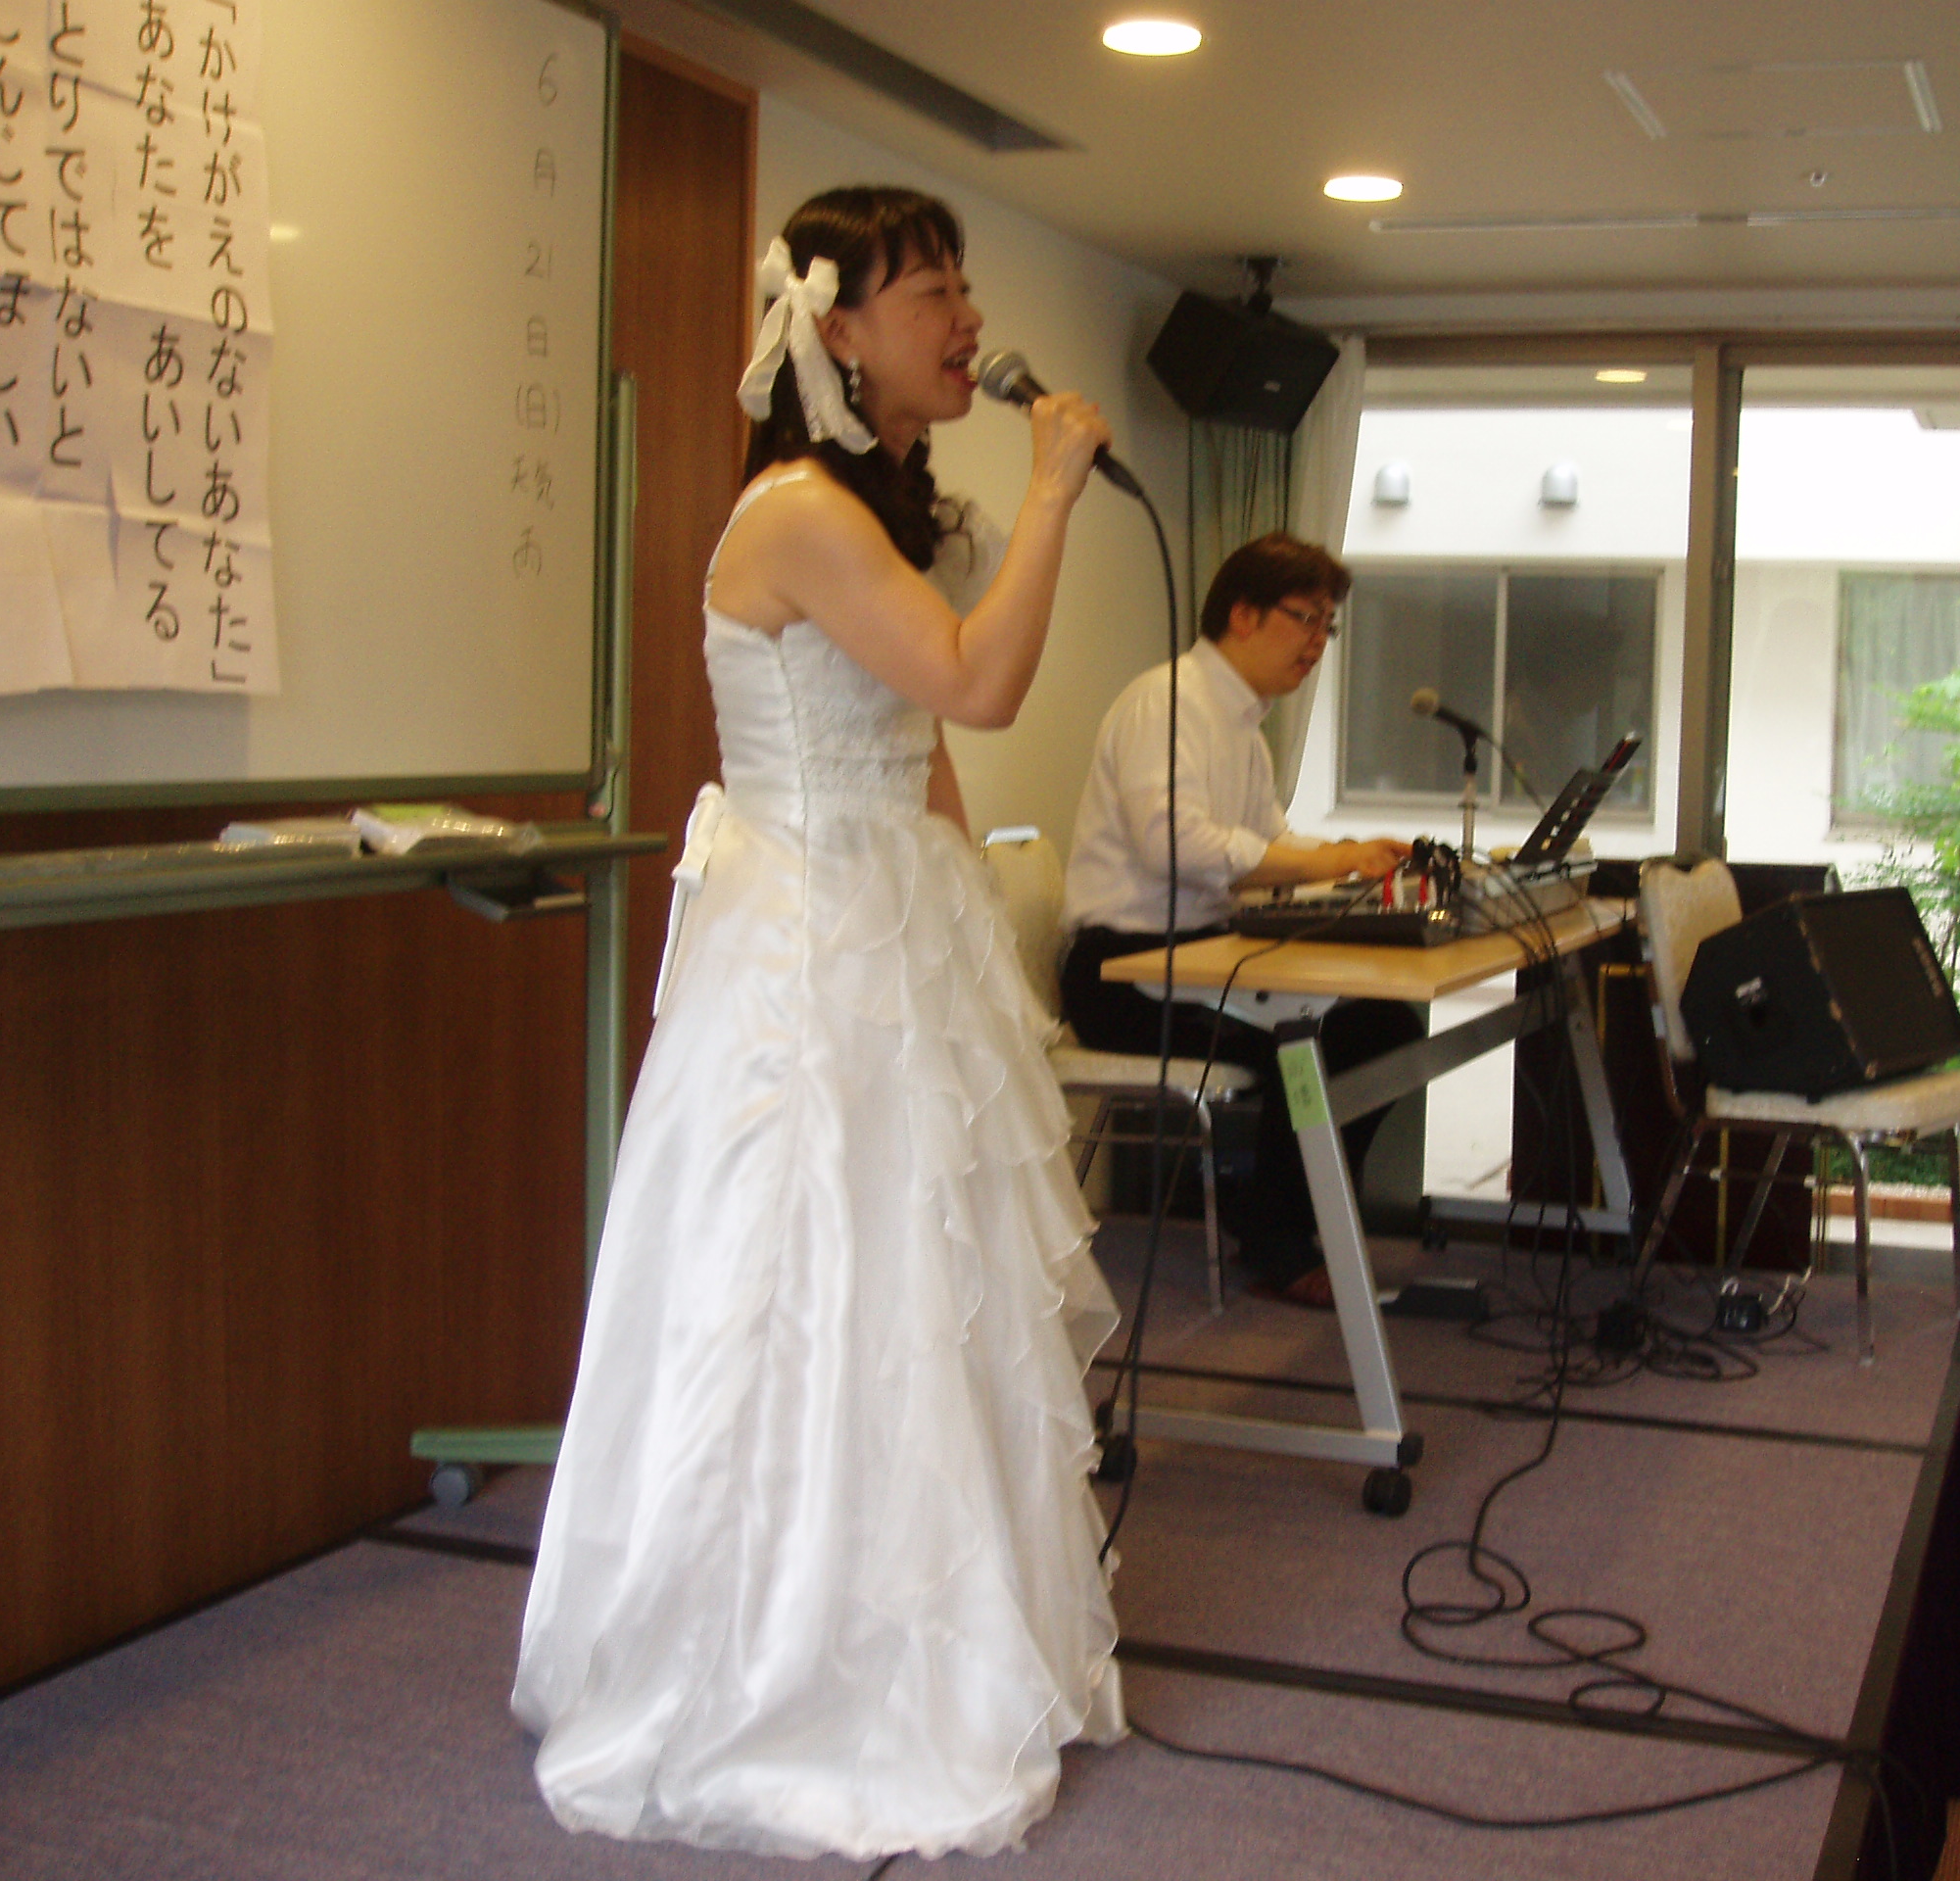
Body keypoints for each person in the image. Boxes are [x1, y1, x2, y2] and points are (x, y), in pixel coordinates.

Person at [512, 186, 1124, 1860]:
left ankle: (932, 1632)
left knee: (916, 1283)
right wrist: (1053, 491)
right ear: (837, 329)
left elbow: (927, 740)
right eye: (933, 293)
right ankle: (770, 1662)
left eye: (965, 287)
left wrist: (964, 922)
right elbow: (979, 678)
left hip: (891, 920)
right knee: (804, 1282)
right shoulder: (793, 509)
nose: (968, 321)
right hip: (798, 951)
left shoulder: (878, 508)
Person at [1059, 533, 1422, 1306]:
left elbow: (1270, 844)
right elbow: (1175, 846)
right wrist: (1330, 862)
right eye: (1306, 619)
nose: (1318, 643)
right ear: (1243, 614)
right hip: (1122, 974)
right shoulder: (1166, 702)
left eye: (1328, 625)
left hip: (1198, 957)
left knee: (1384, 1023)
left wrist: (1351, 857)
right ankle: (1280, 1241)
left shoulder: (1244, 727)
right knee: (1316, 1039)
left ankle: (1303, 1223)